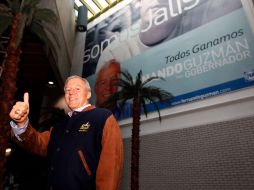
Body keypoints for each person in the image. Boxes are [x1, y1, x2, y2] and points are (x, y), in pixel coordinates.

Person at [9, 75, 124, 190]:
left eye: (77, 89)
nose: (71, 92)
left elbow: (111, 166)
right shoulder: (58, 126)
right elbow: (37, 143)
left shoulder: (102, 117)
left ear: (88, 94)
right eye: (68, 90)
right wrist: (22, 123)